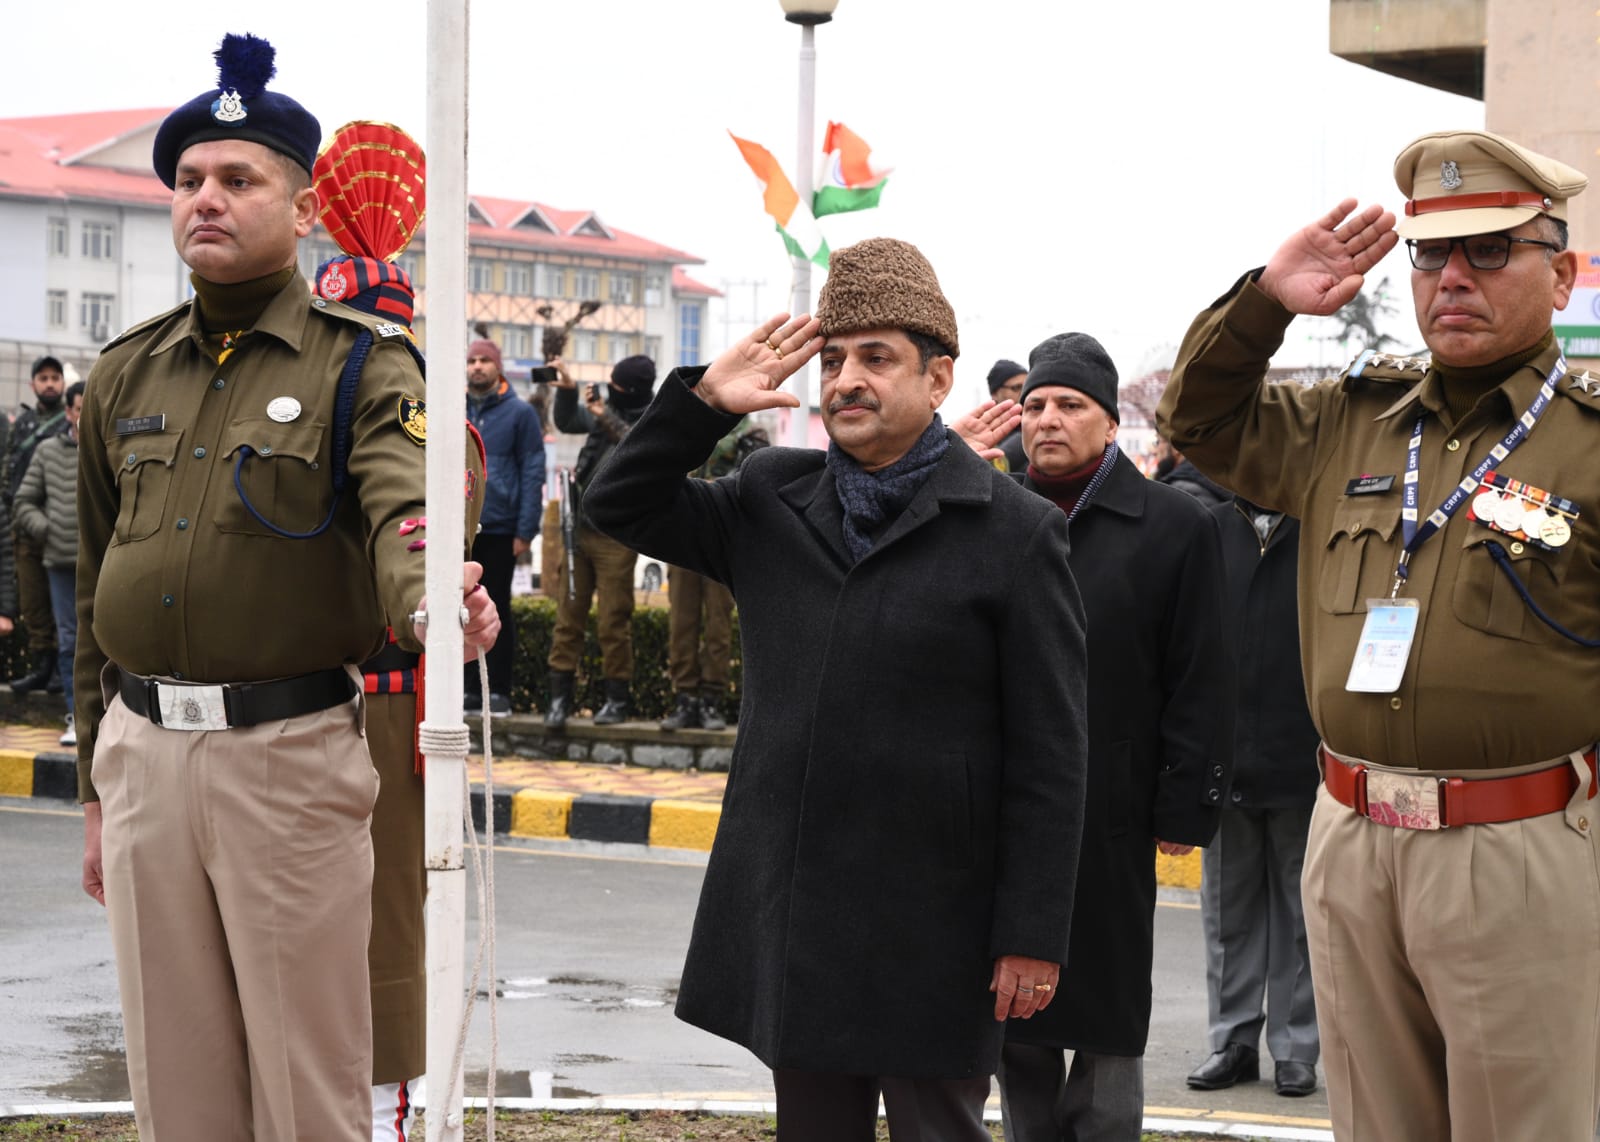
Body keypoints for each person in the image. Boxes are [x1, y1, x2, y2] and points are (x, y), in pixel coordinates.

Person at [74, 35, 499, 1142]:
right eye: (188, 180)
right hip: (142, 753)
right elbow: (96, 585)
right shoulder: (125, 370)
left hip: (286, 757)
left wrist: (429, 603)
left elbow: (405, 509)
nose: (206, 199)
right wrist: (94, 788)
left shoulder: (361, 361)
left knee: (308, 1084)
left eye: (238, 178)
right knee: (176, 1083)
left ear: (305, 209)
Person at [585, 237, 1090, 1142]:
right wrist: (701, 406)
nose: (847, 380)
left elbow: (1051, 753)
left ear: (939, 379)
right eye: (833, 361)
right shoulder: (771, 497)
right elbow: (617, 503)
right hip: (803, 915)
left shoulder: (1014, 532)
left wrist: (1032, 933)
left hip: (939, 919)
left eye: (876, 358)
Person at [1156, 129, 1600, 1141]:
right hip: (1352, 835)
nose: (1454, 277)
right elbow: (1198, 420)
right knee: (1374, 1123)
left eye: (1490, 249)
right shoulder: (1349, 421)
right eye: (1432, 252)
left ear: (1561, 272)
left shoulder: (1585, 441)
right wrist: (1266, 304)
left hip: (1520, 841)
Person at [993, 333, 1227, 1142]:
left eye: (1069, 405)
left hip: (1113, 804)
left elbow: (1201, 672)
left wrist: (1183, 803)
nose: (1047, 420)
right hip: (1007, 802)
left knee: (1107, 1007)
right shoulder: (995, 515)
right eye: (1034, 406)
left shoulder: (1174, 524)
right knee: (1012, 1008)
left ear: (1110, 421)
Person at [1186, 497, 1320, 1099]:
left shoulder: (1320, 527)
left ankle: (1295, 1048)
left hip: (1303, 754)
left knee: (1302, 917)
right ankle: (1232, 1041)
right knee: (1226, 914)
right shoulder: (1210, 528)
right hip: (1222, 755)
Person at [544, 354, 654, 727]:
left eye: (617, 386)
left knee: (613, 622)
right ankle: (558, 701)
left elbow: (637, 447)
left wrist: (604, 413)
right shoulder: (605, 412)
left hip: (617, 537)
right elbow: (567, 421)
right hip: (579, 529)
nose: (610, 391)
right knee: (567, 619)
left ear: (633, 391)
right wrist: (567, 391)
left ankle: (617, 701)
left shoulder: (652, 418)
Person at [658, 420, 768, 732]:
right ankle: (685, 698)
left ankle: (711, 699)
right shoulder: (689, 422)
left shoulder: (749, 431)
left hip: (725, 537)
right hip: (682, 534)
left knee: (718, 624)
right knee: (681, 621)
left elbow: (755, 476)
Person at [464, 336, 545, 717]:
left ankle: (498, 691)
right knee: (459, 610)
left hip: (500, 526)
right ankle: (466, 690)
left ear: (497, 367)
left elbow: (532, 471)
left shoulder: (520, 414)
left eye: (484, 360)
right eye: (472, 360)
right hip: (460, 529)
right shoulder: (452, 408)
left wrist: (525, 529)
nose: (477, 366)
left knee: (497, 608)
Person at [14, 380, 83, 747]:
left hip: (103, 564)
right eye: (79, 410)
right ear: (68, 412)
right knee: (69, 641)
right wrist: (47, 529)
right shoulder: (46, 451)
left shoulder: (111, 447)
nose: (85, 417)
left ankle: (108, 717)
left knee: (108, 640)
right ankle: (76, 717)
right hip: (60, 563)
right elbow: (23, 501)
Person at [7, 355, 67, 695]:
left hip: (58, 529)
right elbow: (9, 473)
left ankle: (61, 670)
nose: (49, 384)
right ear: (32, 384)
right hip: (25, 529)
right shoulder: (23, 424)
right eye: (43, 378)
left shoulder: (68, 423)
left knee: (61, 602)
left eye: (54, 378)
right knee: (32, 604)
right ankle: (42, 667)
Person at [986, 358, 1029, 473]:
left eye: (1027, 386)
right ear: (995, 393)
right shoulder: (983, 431)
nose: (1025, 393)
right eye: (1016, 388)